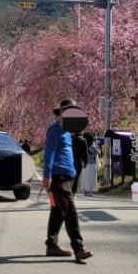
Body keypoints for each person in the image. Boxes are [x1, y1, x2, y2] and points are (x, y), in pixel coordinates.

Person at [41, 99, 93, 261]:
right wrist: (47, 175)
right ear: (62, 112)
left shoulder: (66, 131)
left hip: (66, 176)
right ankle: (79, 248)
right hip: (58, 177)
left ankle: (52, 245)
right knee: (70, 211)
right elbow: (49, 151)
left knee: (58, 212)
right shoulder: (55, 129)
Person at [80, 133, 99, 197]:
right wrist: (96, 144)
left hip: (83, 164)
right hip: (91, 164)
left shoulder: (82, 146)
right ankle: (89, 192)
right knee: (91, 179)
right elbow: (98, 152)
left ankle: (85, 191)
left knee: (85, 178)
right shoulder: (92, 147)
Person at [70, 130, 88, 194]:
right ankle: (73, 192)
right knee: (76, 177)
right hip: (78, 161)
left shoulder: (70, 139)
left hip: (69, 160)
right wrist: (85, 162)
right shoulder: (83, 140)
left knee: (69, 176)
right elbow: (85, 153)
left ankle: (68, 190)